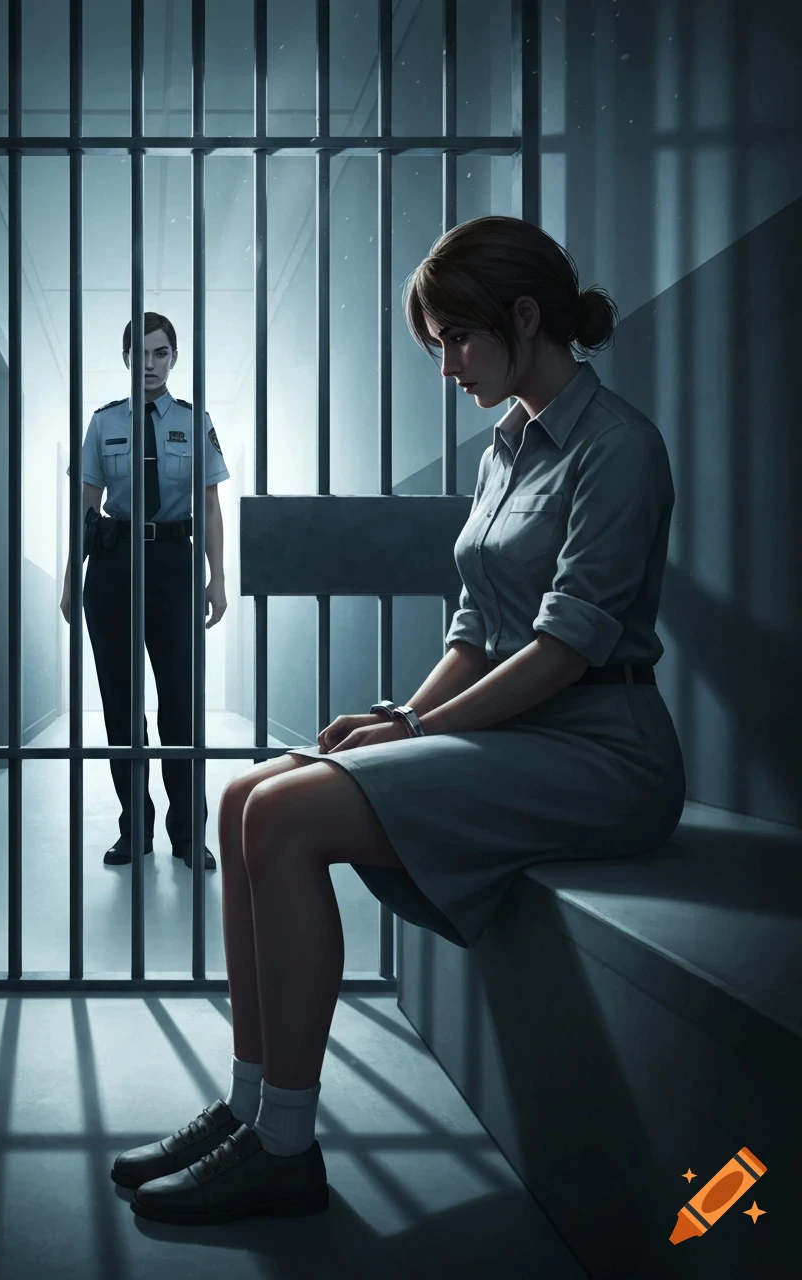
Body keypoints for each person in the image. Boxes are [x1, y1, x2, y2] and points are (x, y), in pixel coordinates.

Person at [111, 216, 686, 1227]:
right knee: (244, 797)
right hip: (518, 730)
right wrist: (404, 712)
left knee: (286, 819)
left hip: (601, 748)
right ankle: (252, 1107)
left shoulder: (617, 448)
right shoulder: (507, 444)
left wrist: (418, 733)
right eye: (437, 347)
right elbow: (476, 624)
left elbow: (561, 651)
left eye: (457, 340)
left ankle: (284, 1144)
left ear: (522, 316)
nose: (447, 367)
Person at [60, 312, 230, 870]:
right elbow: (86, 507)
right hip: (112, 564)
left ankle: (188, 834)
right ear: (128, 358)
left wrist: (217, 577)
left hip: (172, 565)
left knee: (181, 704)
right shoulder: (104, 423)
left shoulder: (193, 419)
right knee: (120, 703)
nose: (151, 365)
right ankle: (135, 829)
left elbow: (209, 505)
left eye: (161, 354)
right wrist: (71, 577)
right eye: (141, 354)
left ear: (173, 358)